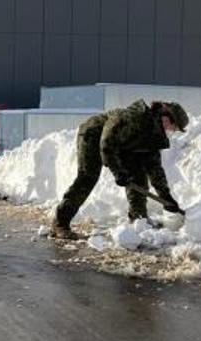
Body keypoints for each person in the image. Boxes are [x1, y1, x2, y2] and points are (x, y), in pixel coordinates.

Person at [50, 100, 189, 239]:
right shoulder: (136, 117)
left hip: (122, 145)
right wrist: (117, 171)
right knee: (88, 176)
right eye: (173, 126)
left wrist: (166, 198)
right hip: (95, 134)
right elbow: (107, 141)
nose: (171, 131)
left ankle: (139, 221)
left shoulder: (154, 135)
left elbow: (154, 168)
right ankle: (60, 223)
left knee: (138, 176)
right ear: (165, 116)